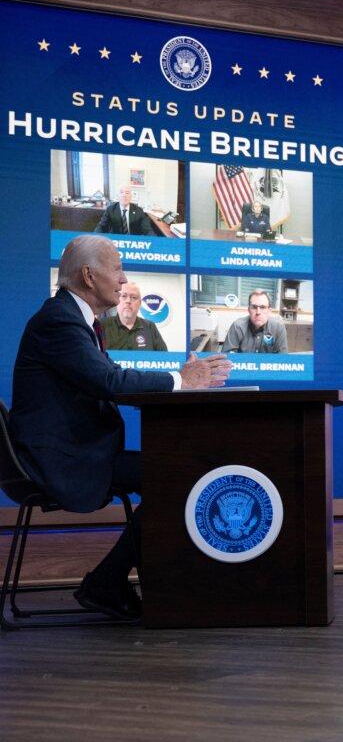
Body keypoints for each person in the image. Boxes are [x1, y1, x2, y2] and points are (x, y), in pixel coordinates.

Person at [8, 235, 231, 619]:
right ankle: (109, 585)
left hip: (77, 453)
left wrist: (181, 379)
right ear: (89, 275)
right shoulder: (58, 320)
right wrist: (180, 379)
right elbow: (110, 382)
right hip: (61, 462)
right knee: (178, 478)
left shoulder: (74, 318)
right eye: (117, 269)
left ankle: (112, 584)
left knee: (178, 475)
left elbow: (106, 378)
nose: (124, 279)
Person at [100, 281, 168, 351]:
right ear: (117, 300)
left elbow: (164, 358)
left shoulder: (150, 327)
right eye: (124, 296)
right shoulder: (102, 325)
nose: (128, 301)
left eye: (133, 297)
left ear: (139, 304)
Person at [222, 289, 288, 353]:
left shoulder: (278, 328)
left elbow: (282, 359)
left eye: (262, 307)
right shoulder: (237, 327)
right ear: (249, 310)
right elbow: (226, 358)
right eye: (254, 307)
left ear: (269, 311)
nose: (258, 312)